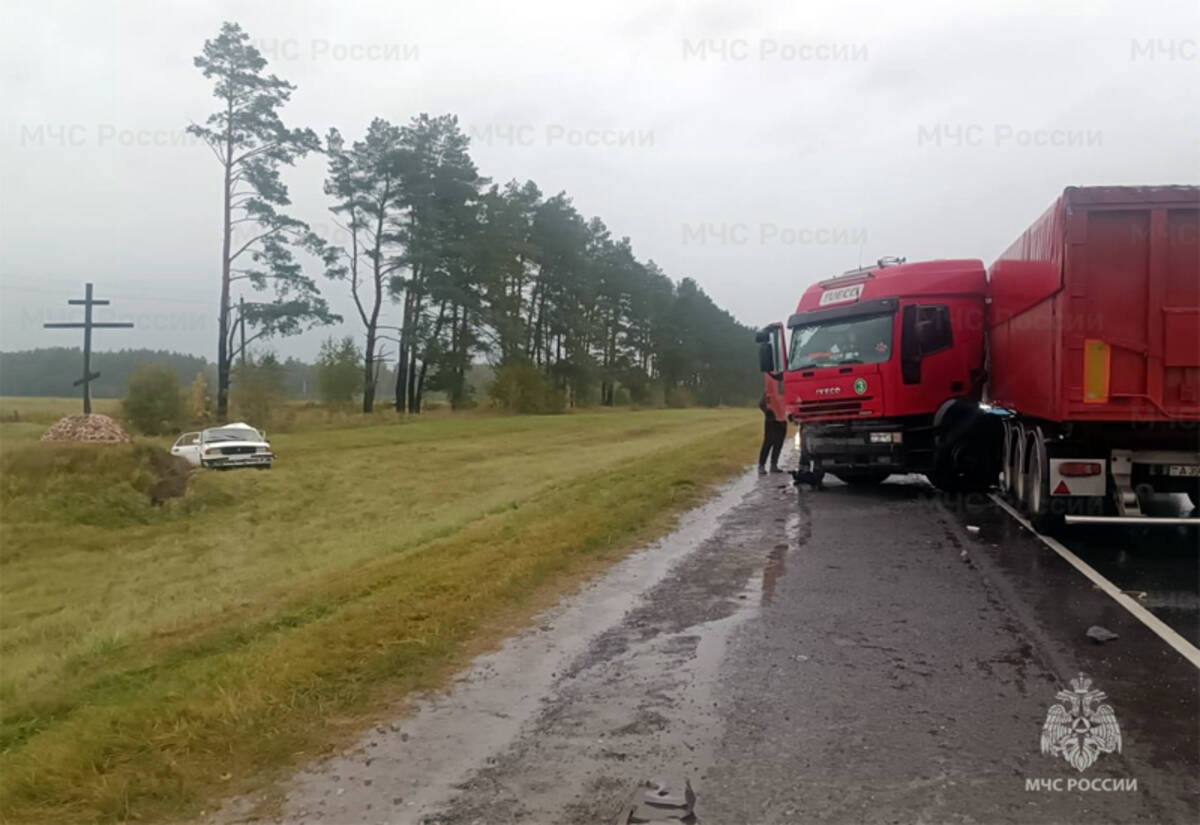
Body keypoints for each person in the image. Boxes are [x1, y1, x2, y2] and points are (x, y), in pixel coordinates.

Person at [758, 391, 788, 474]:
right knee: (768, 442)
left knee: (779, 443)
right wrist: (768, 412)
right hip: (771, 421)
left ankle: (773, 465)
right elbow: (761, 404)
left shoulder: (786, 390)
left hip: (782, 421)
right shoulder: (770, 391)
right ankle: (761, 465)